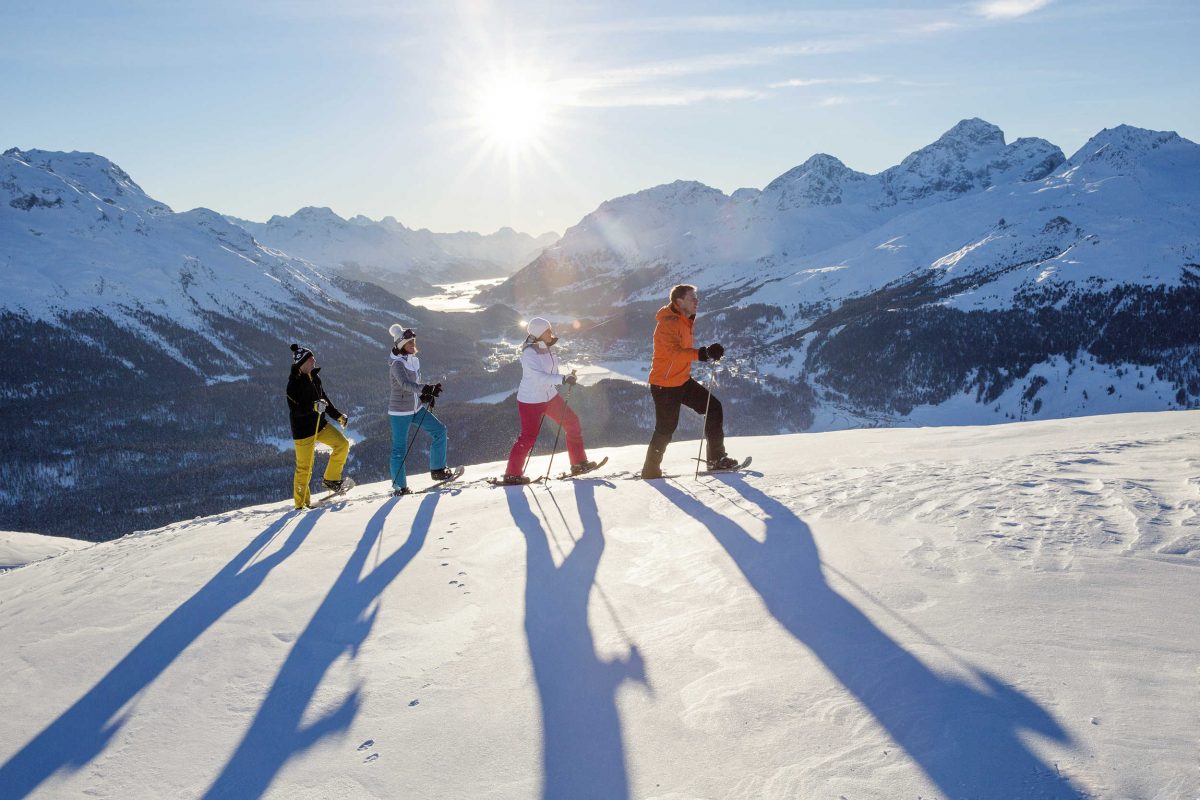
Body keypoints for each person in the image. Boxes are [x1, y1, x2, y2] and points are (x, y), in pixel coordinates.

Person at [640, 284, 739, 478]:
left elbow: (682, 352)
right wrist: (703, 353)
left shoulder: (685, 319)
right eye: (692, 298)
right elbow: (673, 353)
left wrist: (708, 352)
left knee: (713, 407)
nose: (697, 301)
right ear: (679, 301)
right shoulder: (668, 323)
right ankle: (650, 470)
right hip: (665, 385)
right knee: (666, 429)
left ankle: (716, 459)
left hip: (682, 380)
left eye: (696, 297)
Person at [499, 317, 597, 484]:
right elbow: (538, 377)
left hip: (549, 396)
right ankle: (512, 473)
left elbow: (552, 372)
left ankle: (578, 463)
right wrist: (563, 379)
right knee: (528, 437)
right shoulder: (529, 352)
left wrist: (567, 376)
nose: (551, 333)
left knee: (572, 422)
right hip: (530, 400)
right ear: (538, 333)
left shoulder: (547, 348)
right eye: (547, 331)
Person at [388, 325, 453, 496]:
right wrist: (426, 389)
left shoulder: (413, 360)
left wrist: (425, 396)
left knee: (440, 430)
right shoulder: (397, 364)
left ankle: (438, 469)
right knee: (399, 450)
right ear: (401, 345)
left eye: (413, 341)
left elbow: (414, 385)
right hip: (400, 412)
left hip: (416, 408)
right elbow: (405, 385)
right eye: (410, 342)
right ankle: (400, 487)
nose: (413, 344)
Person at [286, 343, 350, 509]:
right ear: (302, 364)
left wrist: (338, 416)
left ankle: (331, 479)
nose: (314, 360)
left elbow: (324, 401)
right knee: (304, 468)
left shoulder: (315, 378)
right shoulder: (293, 385)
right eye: (310, 358)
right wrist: (313, 407)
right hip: (303, 432)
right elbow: (295, 410)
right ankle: (301, 504)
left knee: (342, 445)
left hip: (320, 425)